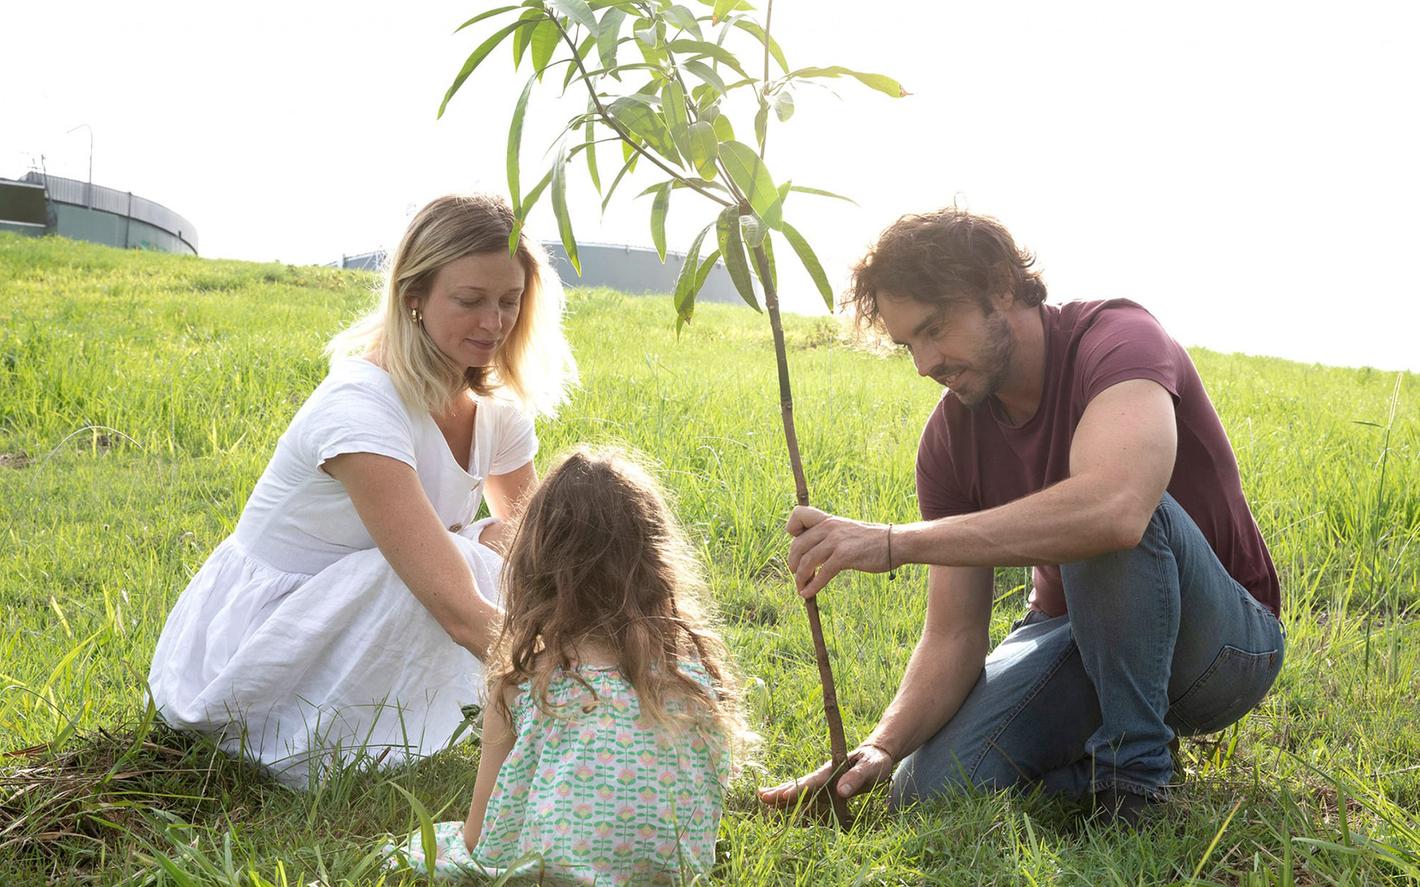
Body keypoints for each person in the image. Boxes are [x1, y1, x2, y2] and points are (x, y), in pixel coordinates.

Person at [757, 208, 1285, 824]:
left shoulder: (1117, 339)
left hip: (1219, 649)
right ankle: (1101, 756)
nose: (925, 365)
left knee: (1104, 519)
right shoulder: (950, 440)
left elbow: (1117, 512)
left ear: (1002, 285)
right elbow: (954, 634)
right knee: (923, 789)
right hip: (1073, 638)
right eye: (909, 345)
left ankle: (1133, 781)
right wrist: (881, 746)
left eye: (935, 329)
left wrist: (898, 542)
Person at [147, 194, 577, 787]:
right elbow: (454, 608)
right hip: (259, 644)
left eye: (509, 301)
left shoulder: (495, 414)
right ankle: (330, 737)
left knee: (513, 542)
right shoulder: (360, 408)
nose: (494, 322)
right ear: (414, 299)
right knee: (443, 570)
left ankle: (505, 710)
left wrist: (624, 659)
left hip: (361, 603)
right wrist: (581, 692)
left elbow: (540, 562)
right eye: (470, 301)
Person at [387, 447, 749, 884]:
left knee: (423, 851)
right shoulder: (691, 676)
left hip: (549, 877)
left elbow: (478, 837)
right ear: (655, 564)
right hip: (671, 878)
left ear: (535, 564)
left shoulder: (528, 682)